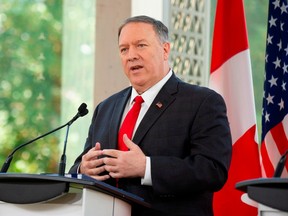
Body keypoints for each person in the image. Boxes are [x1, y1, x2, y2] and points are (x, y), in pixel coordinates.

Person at [69, 15, 232, 216]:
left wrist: (146, 167)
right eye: (124, 49)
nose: (131, 55)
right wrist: (83, 169)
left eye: (141, 45)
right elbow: (78, 166)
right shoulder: (106, 107)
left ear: (165, 50)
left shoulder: (202, 102)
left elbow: (212, 170)